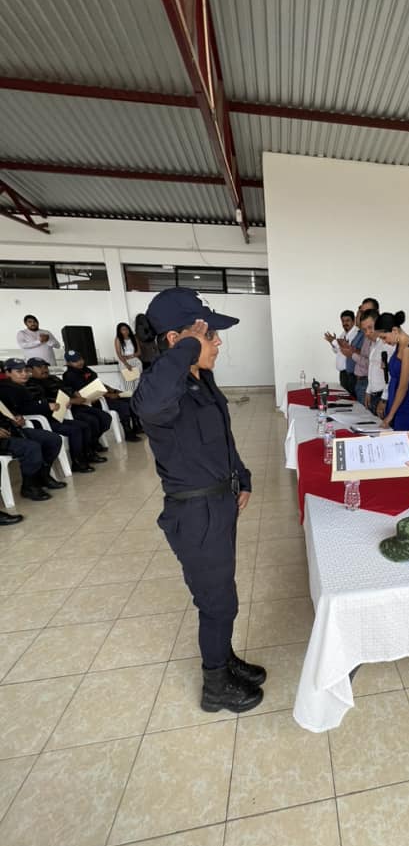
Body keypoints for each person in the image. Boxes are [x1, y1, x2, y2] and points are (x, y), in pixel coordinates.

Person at [133, 287, 265, 715]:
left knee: (223, 595)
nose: (218, 342)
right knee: (216, 602)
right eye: (210, 335)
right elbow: (149, 403)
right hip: (195, 514)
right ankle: (215, 685)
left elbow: (221, 436)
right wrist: (190, 342)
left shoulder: (199, 379)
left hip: (220, 503)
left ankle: (224, 662)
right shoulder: (160, 390)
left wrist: (240, 476)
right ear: (176, 341)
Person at [0, 359, 65, 500]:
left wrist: (15, 419)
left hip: (12, 429)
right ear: (7, 373)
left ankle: (42, 475)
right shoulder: (7, 388)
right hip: (4, 436)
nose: (24, 374)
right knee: (31, 448)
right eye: (19, 371)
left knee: (53, 439)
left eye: (25, 370)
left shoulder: (13, 387)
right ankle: (29, 486)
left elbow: (9, 412)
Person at [26, 359, 111, 461]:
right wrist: (70, 400)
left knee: (105, 417)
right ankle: (87, 454)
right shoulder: (31, 385)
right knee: (89, 421)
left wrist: (76, 394)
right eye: (40, 367)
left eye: (46, 367)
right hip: (60, 412)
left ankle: (92, 443)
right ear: (30, 370)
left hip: (75, 405)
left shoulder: (54, 378)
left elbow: (67, 388)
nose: (44, 370)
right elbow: (46, 402)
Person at [62, 351, 142, 442]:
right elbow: (84, 392)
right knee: (122, 406)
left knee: (130, 399)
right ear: (68, 363)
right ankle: (128, 432)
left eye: (80, 359)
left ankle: (137, 425)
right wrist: (109, 395)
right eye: (75, 361)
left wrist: (114, 390)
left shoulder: (86, 370)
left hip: (102, 395)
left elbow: (99, 383)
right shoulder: (69, 375)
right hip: (94, 401)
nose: (79, 362)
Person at [373, 311, 409, 430]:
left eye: (384, 337)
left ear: (394, 330)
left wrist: (390, 416)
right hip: (394, 404)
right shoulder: (399, 345)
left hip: (404, 408)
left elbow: (403, 387)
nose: (384, 341)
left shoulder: (408, 348)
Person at [337, 299, 378, 404]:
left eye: (366, 311)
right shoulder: (364, 333)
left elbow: (371, 363)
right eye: (361, 312)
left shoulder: (376, 337)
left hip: (366, 382)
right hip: (358, 380)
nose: (362, 315)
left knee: (367, 417)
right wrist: (350, 349)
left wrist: (352, 353)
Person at [324, 310, 358, 395]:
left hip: (351, 374)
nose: (345, 323)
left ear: (353, 321)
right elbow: (337, 351)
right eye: (343, 321)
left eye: (347, 320)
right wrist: (332, 343)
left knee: (351, 399)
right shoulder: (343, 333)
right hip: (343, 374)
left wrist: (335, 342)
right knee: (344, 398)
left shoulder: (356, 333)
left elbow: (347, 350)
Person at [114, 322, 143, 393]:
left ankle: (138, 400)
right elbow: (119, 354)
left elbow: (139, 352)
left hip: (135, 361)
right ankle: (130, 400)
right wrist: (127, 364)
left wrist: (131, 356)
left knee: (138, 383)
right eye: (123, 329)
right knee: (129, 385)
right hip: (124, 362)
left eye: (127, 329)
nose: (126, 331)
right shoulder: (118, 339)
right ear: (119, 331)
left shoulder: (134, 338)